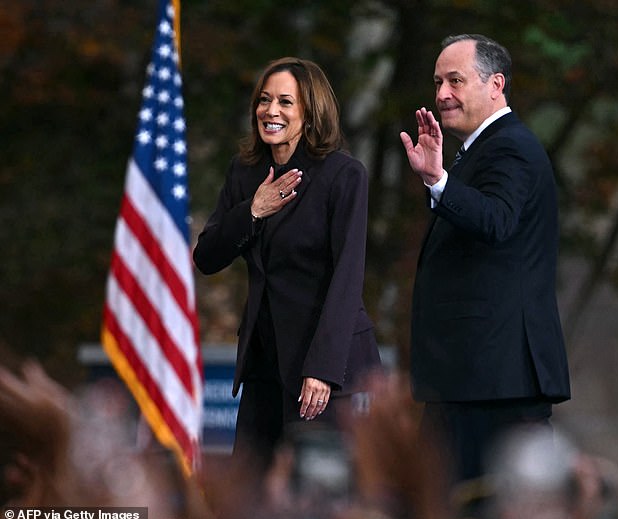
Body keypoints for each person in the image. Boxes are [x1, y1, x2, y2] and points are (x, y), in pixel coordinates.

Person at [193, 57, 380, 475]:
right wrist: (252, 211)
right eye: (263, 100)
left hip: (325, 368)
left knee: (316, 497)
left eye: (284, 102)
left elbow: (347, 277)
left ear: (310, 111)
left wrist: (323, 369)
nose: (270, 111)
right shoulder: (246, 174)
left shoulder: (343, 175)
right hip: (263, 363)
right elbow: (206, 257)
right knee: (250, 496)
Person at [399, 34, 571, 486]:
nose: (441, 94)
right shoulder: (483, 149)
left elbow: (496, 220)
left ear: (495, 85)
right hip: (473, 378)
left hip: (496, 382)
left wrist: (438, 180)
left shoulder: (509, 145)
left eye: (455, 80)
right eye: (437, 82)